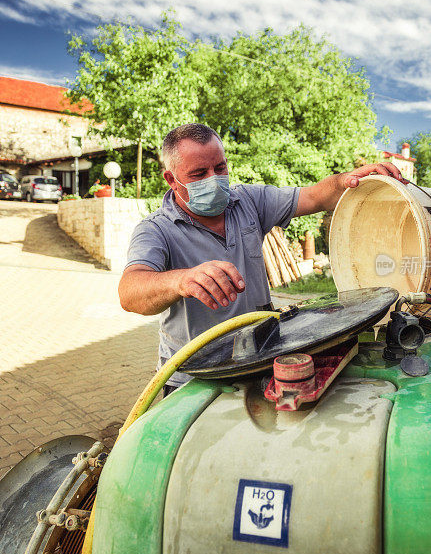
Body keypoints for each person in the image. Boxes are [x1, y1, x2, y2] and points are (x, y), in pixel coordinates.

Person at [119, 123, 403, 394]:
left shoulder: (248, 201)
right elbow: (130, 292)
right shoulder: (156, 229)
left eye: (220, 168)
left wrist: (345, 181)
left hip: (259, 358)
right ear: (171, 179)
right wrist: (180, 280)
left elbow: (315, 197)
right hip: (194, 379)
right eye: (199, 174)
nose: (214, 180)